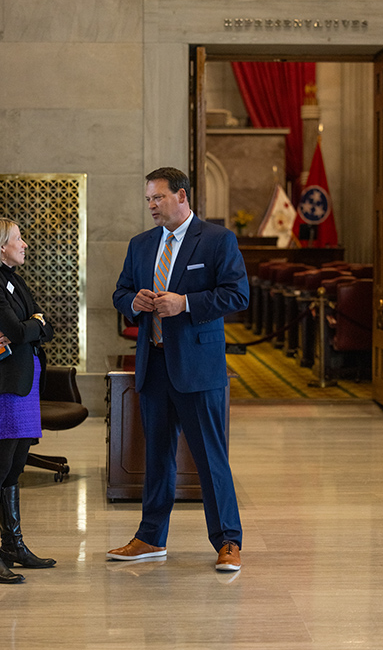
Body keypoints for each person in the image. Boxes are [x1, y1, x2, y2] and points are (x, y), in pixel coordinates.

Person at [108, 167, 249, 571]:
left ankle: (228, 541)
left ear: (182, 196)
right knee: (157, 457)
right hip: (153, 367)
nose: (151, 205)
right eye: (148, 199)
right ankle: (151, 537)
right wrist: (132, 302)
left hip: (198, 369)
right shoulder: (141, 244)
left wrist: (185, 303)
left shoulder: (218, 239)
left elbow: (237, 294)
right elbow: (120, 292)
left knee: (210, 458)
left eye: (158, 198)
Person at [0, 216, 56, 584]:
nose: (24, 244)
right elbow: (20, 330)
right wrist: (33, 325)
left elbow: (45, 327)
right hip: (6, 387)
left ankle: (12, 546)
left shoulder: (13, 280)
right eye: (18, 239)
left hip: (25, 384)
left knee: (16, 464)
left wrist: (33, 326)